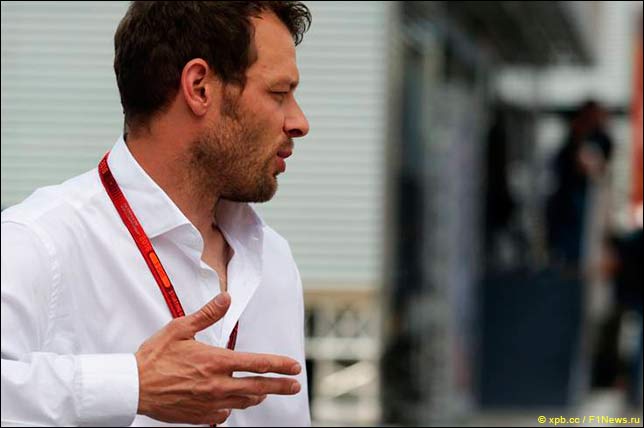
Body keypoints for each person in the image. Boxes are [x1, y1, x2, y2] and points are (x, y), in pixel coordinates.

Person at [1, 1, 312, 426]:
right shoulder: (37, 242)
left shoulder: (273, 261)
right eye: (278, 93)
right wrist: (131, 385)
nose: (299, 122)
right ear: (199, 88)